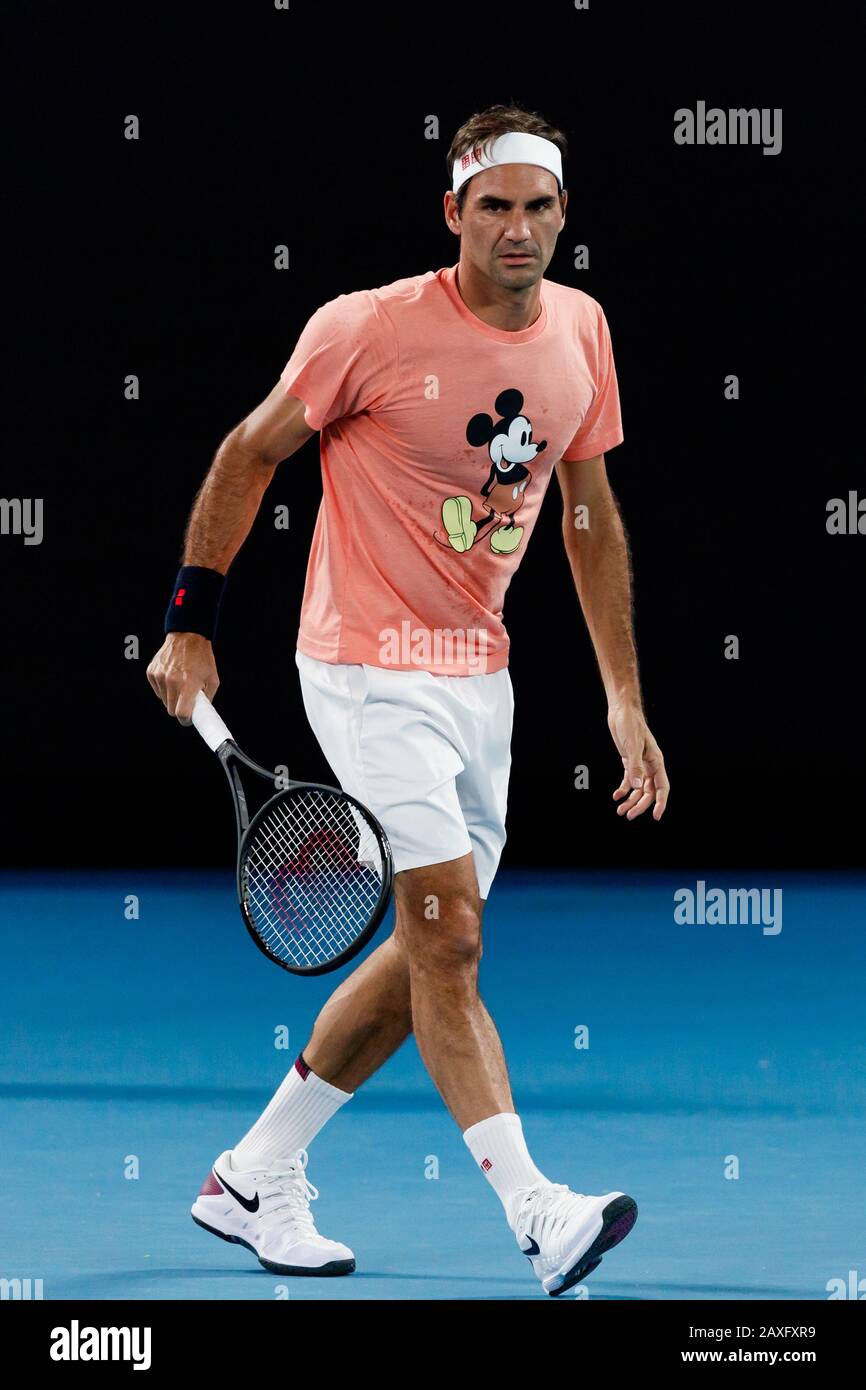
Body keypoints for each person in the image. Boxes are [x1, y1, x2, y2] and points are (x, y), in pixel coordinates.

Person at [147, 103, 669, 1297]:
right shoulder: (367, 329)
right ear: (453, 215)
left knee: (429, 945)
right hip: (362, 661)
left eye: (538, 207)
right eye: (494, 207)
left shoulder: (581, 332)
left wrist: (620, 698)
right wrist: (189, 620)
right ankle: (537, 1212)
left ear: (562, 215)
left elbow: (585, 514)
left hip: (477, 676)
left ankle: (248, 1175)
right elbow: (248, 451)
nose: (518, 229)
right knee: (452, 936)